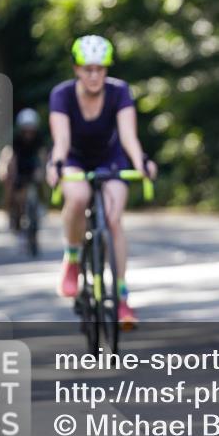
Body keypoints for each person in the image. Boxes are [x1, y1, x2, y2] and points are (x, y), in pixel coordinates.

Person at [45, 35, 157, 328]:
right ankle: (71, 259)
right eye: (87, 69)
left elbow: (129, 137)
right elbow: (62, 139)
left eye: (100, 69)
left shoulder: (119, 91)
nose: (94, 75)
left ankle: (121, 297)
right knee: (78, 196)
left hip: (111, 159)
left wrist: (141, 162)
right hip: (74, 159)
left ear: (106, 70)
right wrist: (56, 165)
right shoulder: (62, 94)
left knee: (113, 219)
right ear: (77, 69)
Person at [0, 108, 47, 232]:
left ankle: (41, 205)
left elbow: (43, 155)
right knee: (12, 190)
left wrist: (42, 170)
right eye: (26, 128)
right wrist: (7, 171)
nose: (29, 131)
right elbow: (10, 156)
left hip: (33, 167)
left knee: (42, 182)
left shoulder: (39, 138)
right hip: (19, 168)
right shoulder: (16, 139)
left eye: (31, 128)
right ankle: (12, 214)